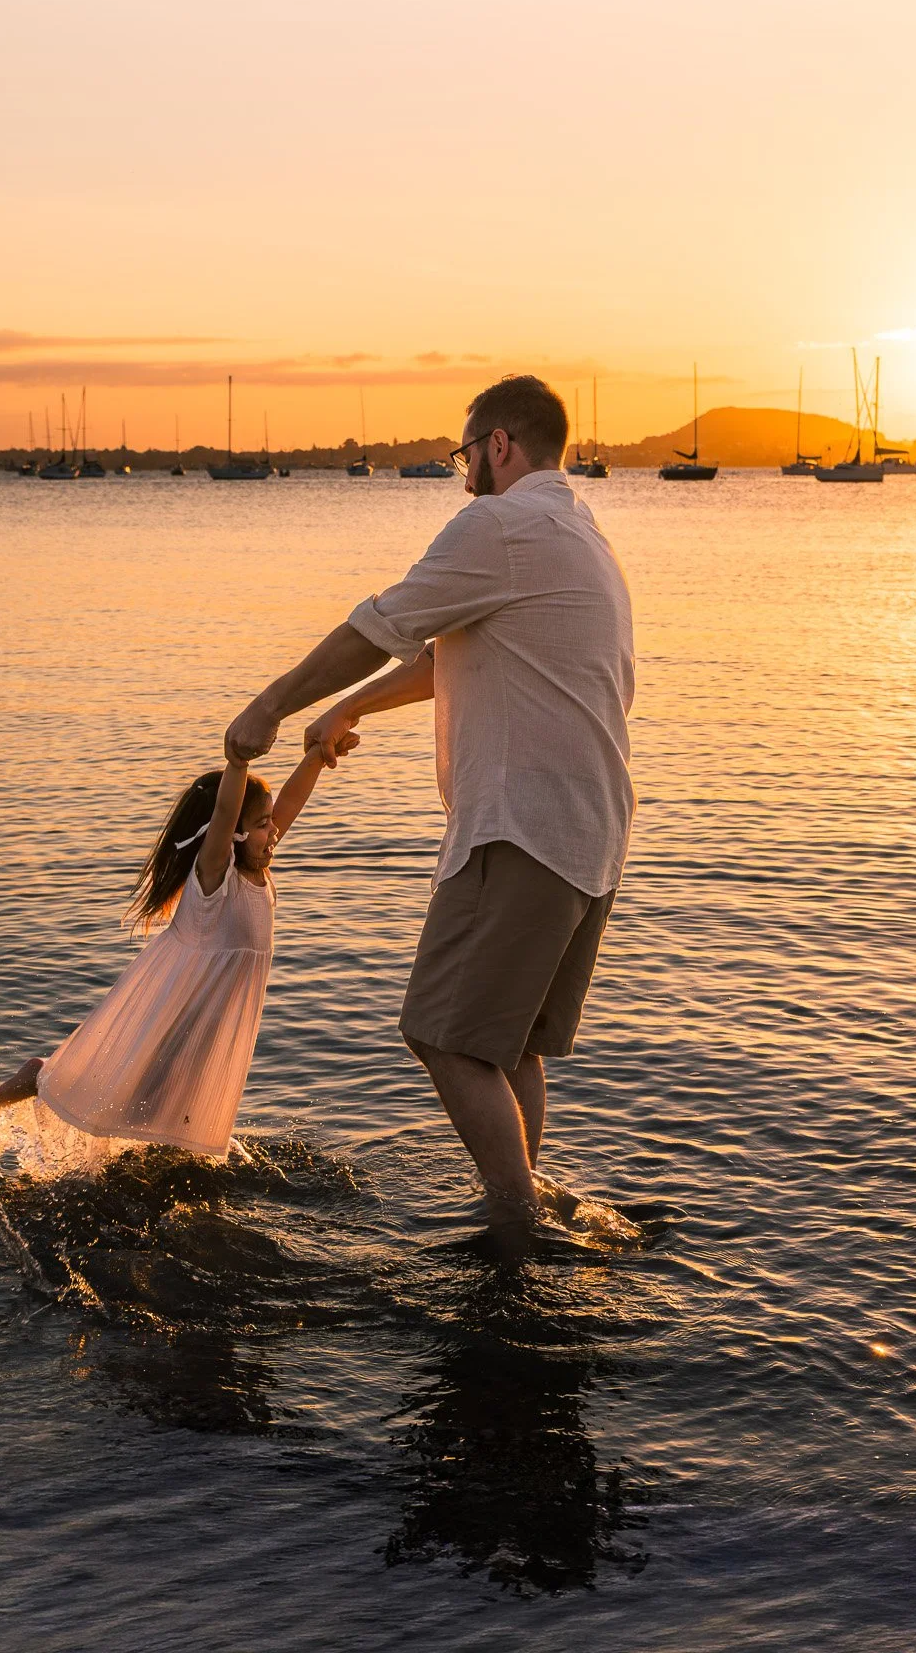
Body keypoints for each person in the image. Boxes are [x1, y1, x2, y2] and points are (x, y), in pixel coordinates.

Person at [225, 373, 634, 1232]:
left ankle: (514, 1220)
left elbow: (379, 625)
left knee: (442, 1033)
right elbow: (450, 650)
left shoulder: (498, 523)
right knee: (507, 1041)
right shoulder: (577, 531)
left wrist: (273, 706)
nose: (461, 473)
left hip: (518, 827)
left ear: (496, 446)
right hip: (589, 833)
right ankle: (535, 1203)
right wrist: (352, 707)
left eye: (464, 453)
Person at [0, 739, 352, 1155]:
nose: (276, 830)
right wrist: (238, 760)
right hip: (180, 1000)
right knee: (134, 1098)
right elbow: (226, 813)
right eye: (264, 823)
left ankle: (157, 1164)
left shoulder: (256, 864)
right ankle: (43, 1075)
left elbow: (288, 804)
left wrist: (318, 756)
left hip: (219, 1011)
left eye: (271, 822)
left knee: (173, 1108)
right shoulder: (216, 876)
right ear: (233, 832)